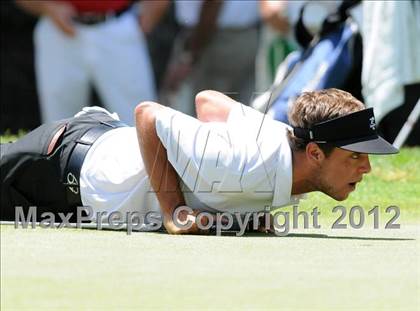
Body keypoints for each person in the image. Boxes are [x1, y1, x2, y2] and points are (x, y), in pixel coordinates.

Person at [0, 89, 398, 234]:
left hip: (86, 179)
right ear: (314, 153)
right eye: (356, 157)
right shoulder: (243, 165)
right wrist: (174, 210)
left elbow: (208, 100)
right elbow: (148, 114)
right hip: (58, 165)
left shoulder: (279, 153)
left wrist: (244, 209)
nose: (366, 169)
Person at [15, 0, 156, 125]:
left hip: (118, 25)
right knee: (59, 127)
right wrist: (46, 6)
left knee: (140, 119)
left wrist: (149, 16)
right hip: (57, 30)